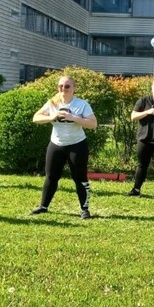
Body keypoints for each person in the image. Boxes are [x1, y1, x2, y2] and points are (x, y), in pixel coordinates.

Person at [31, 75, 97, 219]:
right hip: (56, 144)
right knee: (51, 177)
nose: (63, 89)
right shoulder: (52, 103)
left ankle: (85, 210)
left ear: (73, 88)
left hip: (77, 145)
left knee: (80, 178)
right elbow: (36, 117)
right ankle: (43, 206)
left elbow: (93, 124)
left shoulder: (81, 104)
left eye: (67, 86)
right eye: (61, 86)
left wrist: (74, 118)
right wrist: (52, 117)